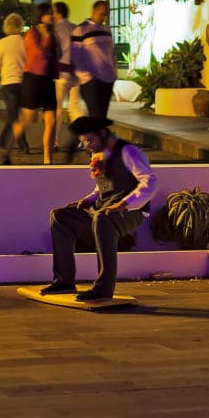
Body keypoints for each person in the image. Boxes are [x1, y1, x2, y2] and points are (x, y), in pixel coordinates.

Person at [41, 115, 157, 299]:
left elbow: (149, 182)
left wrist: (124, 204)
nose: (87, 146)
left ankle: (103, 289)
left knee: (103, 220)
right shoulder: (98, 152)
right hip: (103, 208)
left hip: (131, 212)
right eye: (83, 143)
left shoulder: (128, 151)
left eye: (90, 140)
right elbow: (102, 186)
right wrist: (87, 199)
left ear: (103, 133)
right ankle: (64, 282)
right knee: (60, 216)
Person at [2, 2, 57, 165]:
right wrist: (48, 37)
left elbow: (54, 56)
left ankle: (48, 159)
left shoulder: (52, 34)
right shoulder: (32, 34)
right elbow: (38, 53)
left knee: (52, 119)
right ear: (41, 16)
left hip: (47, 80)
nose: (52, 16)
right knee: (27, 118)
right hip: (33, 79)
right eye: (48, 13)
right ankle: (8, 151)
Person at [63, 0, 118, 160]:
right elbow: (76, 55)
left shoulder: (106, 30)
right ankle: (98, 152)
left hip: (107, 79)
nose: (104, 17)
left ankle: (77, 144)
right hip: (91, 80)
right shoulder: (81, 30)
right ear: (94, 11)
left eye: (107, 13)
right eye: (102, 13)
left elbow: (111, 52)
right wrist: (84, 75)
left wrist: (113, 71)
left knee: (98, 118)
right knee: (97, 116)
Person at [0, 12, 29, 155]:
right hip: (23, 82)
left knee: (13, 114)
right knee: (17, 115)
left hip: (8, 82)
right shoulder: (26, 42)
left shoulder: (1, 43)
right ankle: (22, 145)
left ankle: (4, 139)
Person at [51, 1, 82, 155]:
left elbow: (53, 50)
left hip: (61, 71)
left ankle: (54, 141)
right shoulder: (75, 27)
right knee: (74, 107)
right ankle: (83, 137)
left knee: (57, 108)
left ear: (57, 13)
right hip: (76, 73)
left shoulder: (55, 29)